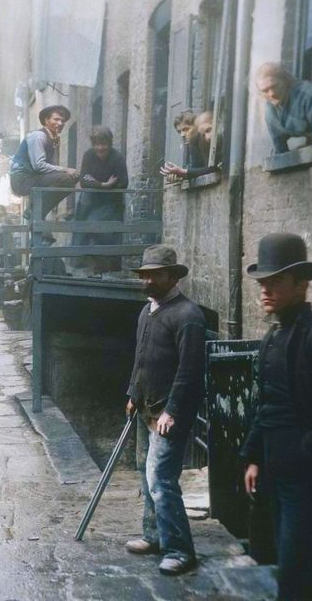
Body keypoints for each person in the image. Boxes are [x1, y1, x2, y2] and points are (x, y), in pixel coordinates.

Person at [241, 233, 312, 601]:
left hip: (310, 475)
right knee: (289, 564)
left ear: (302, 285)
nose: (265, 291)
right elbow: (267, 405)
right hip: (278, 470)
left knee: (297, 566)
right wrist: (255, 456)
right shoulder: (273, 339)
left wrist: (305, 453)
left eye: (276, 282)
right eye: (263, 283)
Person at [125, 245, 206, 576]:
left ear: (172, 277)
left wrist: (172, 410)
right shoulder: (148, 312)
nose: (147, 281)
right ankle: (154, 536)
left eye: (154, 275)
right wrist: (133, 393)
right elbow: (140, 358)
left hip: (169, 414)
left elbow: (190, 371)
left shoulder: (188, 316)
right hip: (146, 407)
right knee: (147, 475)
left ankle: (180, 549)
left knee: (161, 479)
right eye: (144, 275)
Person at [74, 126, 129, 271]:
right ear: (93, 144)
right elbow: (84, 181)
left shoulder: (117, 158)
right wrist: (103, 184)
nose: (100, 148)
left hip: (111, 202)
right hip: (91, 201)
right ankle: (80, 264)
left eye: (104, 144)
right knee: (83, 227)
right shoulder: (88, 156)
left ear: (109, 144)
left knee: (108, 235)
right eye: (97, 144)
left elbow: (123, 182)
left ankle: (111, 269)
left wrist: (99, 185)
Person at [9, 105, 79, 219]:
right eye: (56, 119)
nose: (60, 123)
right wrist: (66, 169)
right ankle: (34, 211)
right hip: (22, 180)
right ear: (46, 120)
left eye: (63, 121)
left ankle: (35, 212)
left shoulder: (53, 138)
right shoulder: (38, 136)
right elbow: (39, 166)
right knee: (66, 179)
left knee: (73, 177)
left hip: (33, 177)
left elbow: (48, 169)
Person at [255, 62, 312, 154]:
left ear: (285, 81)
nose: (271, 94)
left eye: (274, 86)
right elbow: (280, 148)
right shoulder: (270, 108)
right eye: (265, 91)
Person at [161, 111, 217, 180]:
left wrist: (183, 172)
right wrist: (179, 175)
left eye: (186, 129)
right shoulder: (192, 145)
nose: (182, 135)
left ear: (197, 127)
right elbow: (196, 170)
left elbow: (214, 169)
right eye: (179, 131)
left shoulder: (208, 141)